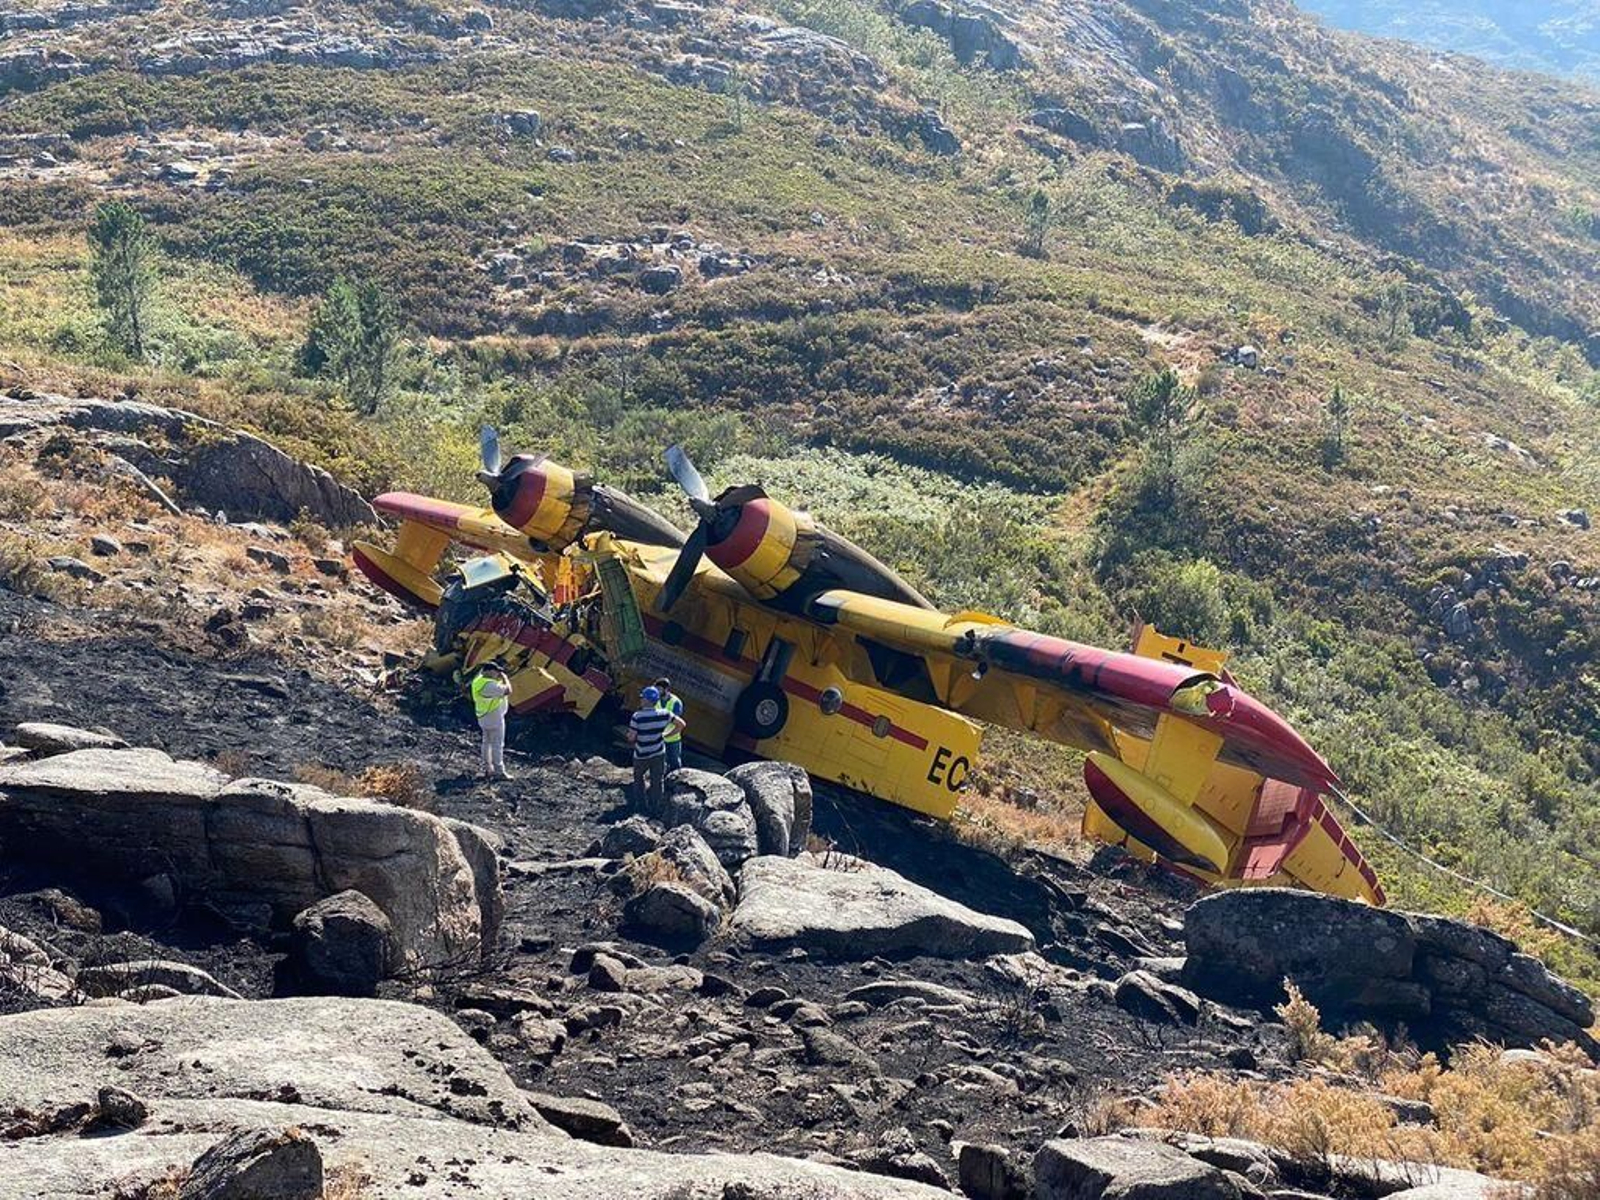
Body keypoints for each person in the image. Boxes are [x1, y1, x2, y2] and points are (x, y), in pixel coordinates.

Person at [628, 684, 684, 810]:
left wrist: (631, 737)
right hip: (658, 753)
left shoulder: (637, 716)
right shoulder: (665, 714)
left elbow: (631, 737)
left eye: (642, 698)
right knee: (657, 781)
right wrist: (666, 735)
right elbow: (681, 724)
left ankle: (641, 805)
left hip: (641, 754)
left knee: (638, 779)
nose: (641, 700)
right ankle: (655, 806)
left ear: (647, 700)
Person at [470, 660, 512, 780]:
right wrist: (505, 679)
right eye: (495, 671)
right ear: (488, 671)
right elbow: (508, 690)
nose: (497, 674)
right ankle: (499, 771)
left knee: (486, 743)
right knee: (497, 745)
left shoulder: (478, 680)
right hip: (494, 716)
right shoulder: (489, 685)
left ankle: (488, 769)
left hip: (483, 715)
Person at [654, 676, 685, 771]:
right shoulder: (655, 700)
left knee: (674, 762)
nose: (657, 691)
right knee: (659, 762)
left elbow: (677, 722)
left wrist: (666, 734)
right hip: (659, 738)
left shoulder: (676, 702)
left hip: (673, 738)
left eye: (659, 689)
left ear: (666, 689)